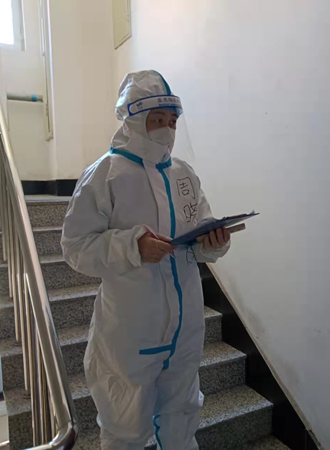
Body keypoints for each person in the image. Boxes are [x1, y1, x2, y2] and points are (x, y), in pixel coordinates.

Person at [61, 70, 231, 450]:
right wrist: (132, 247)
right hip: (132, 332)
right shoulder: (104, 175)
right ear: (134, 119)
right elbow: (75, 246)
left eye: (172, 121)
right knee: (126, 430)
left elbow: (198, 233)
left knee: (182, 418)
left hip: (185, 327)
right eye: (158, 120)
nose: (167, 130)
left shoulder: (184, 175)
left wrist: (212, 241)